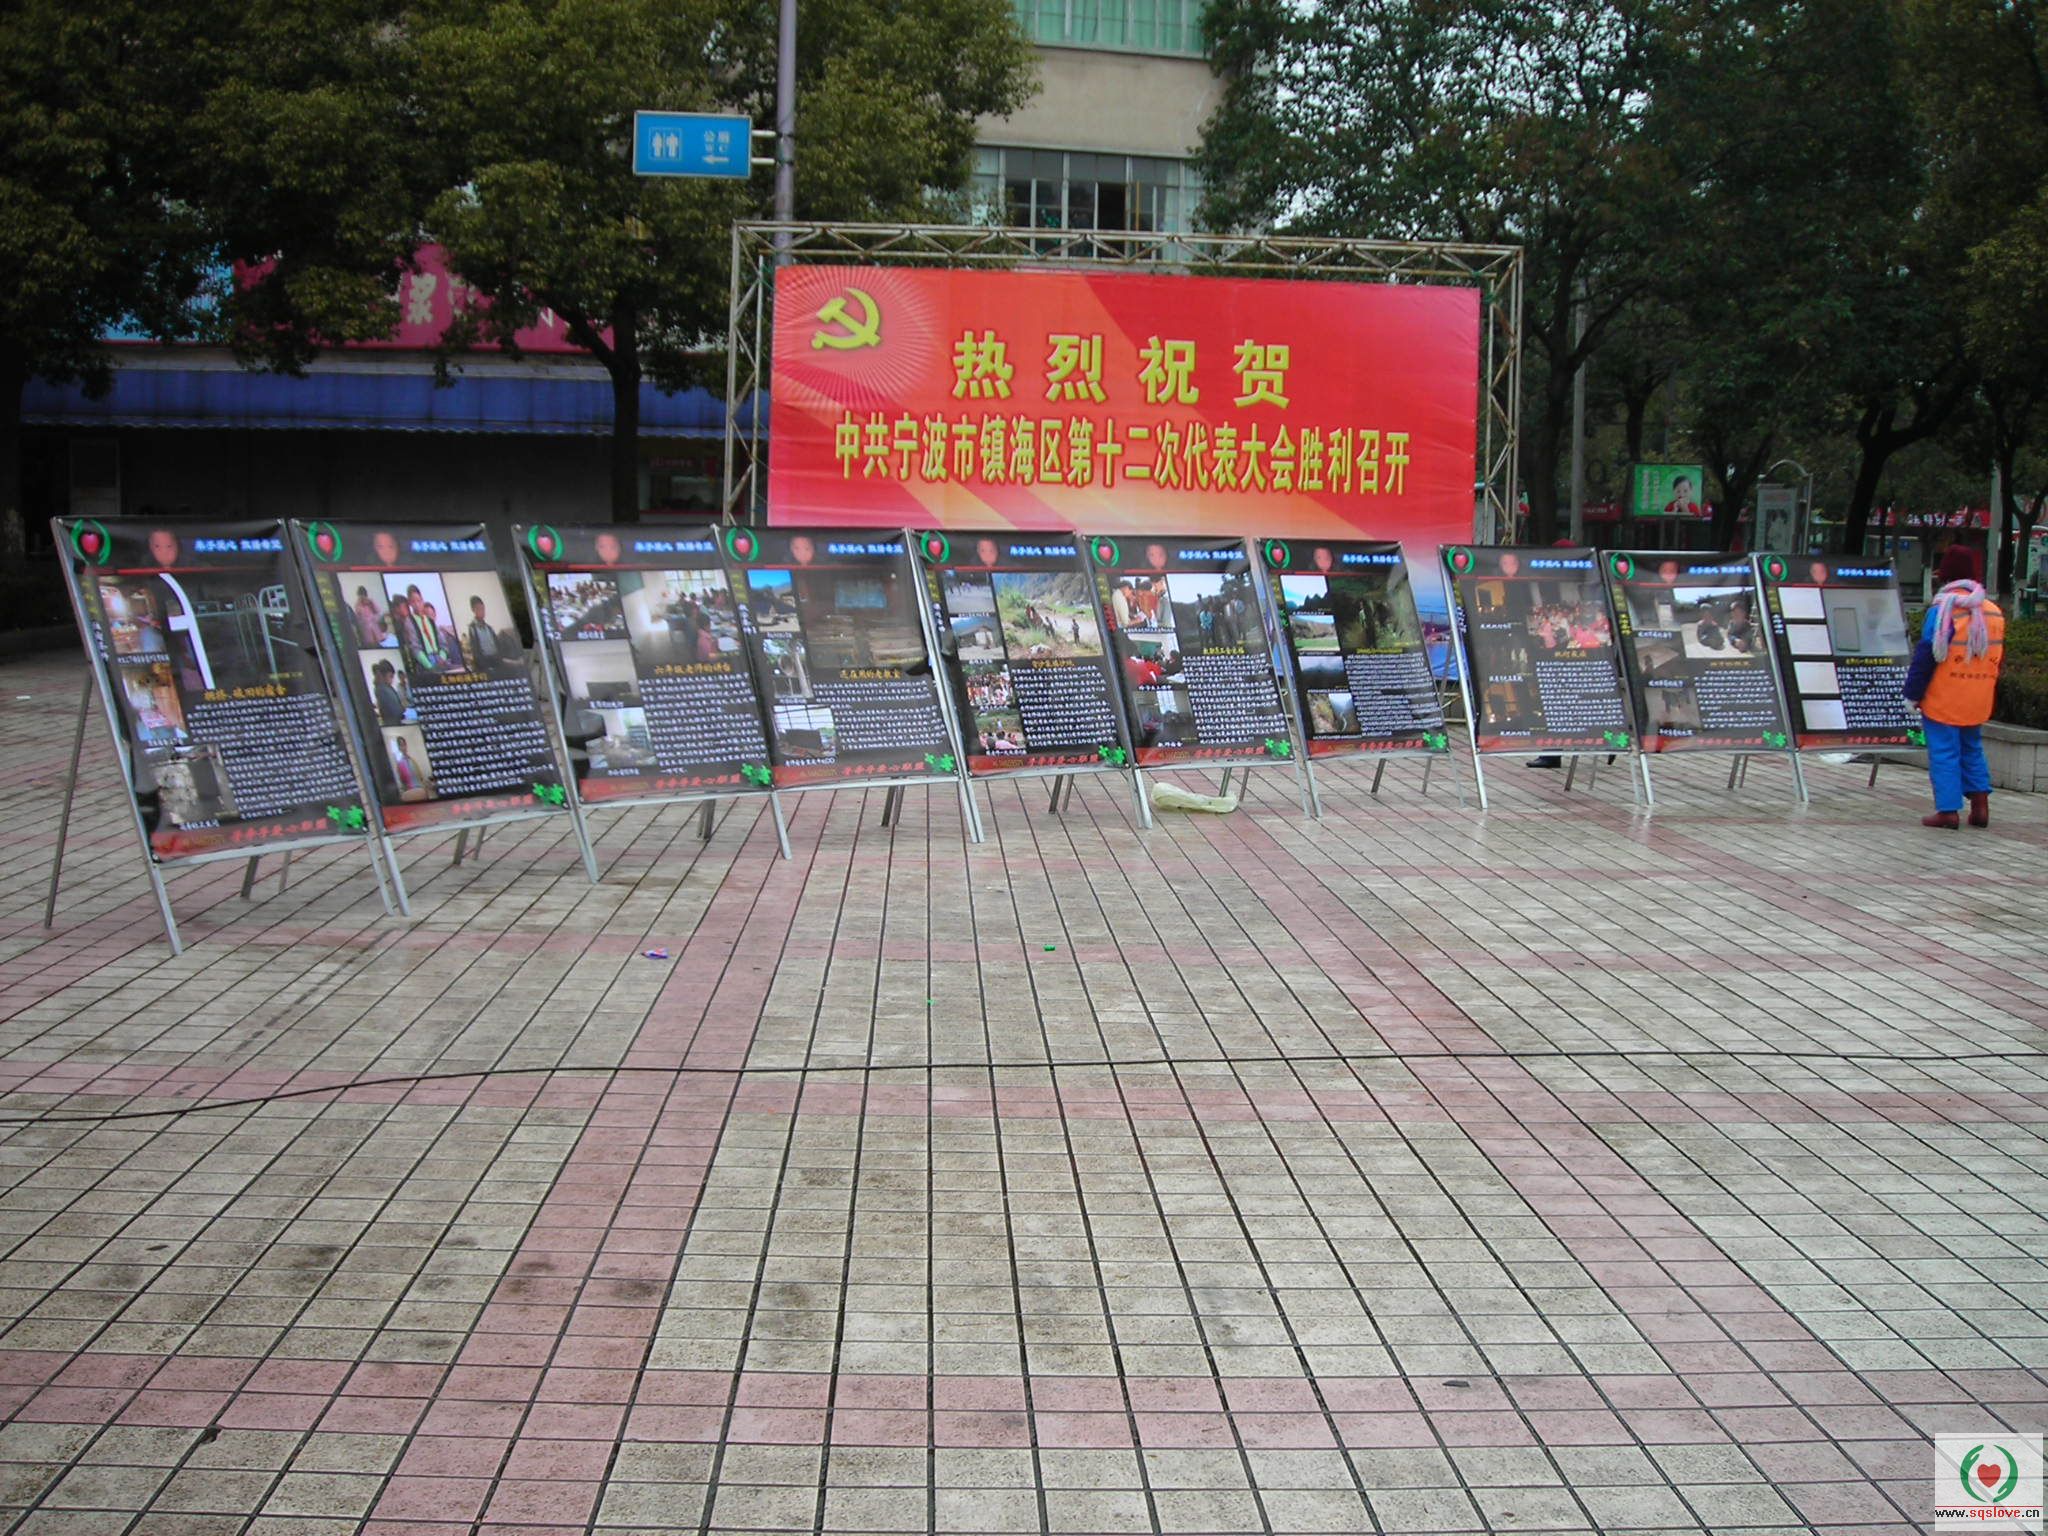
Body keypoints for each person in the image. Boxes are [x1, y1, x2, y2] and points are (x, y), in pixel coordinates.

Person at [1904, 544, 2004, 829]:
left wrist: (1912, 694)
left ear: (1945, 575)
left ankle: (1948, 811)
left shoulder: (1944, 610)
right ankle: (1980, 806)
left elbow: (1926, 655)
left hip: (1944, 696)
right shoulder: (1993, 611)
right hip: (1978, 695)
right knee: (1972, 747)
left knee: (1944, 752)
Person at [466, 595, 500, 667]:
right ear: (473, 610)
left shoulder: (489, 628)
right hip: (486, 662)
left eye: (483, 608)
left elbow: (497, 645)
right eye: (479, 609)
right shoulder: (472, 629)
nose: (482, 611)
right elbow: (476, 652)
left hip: (497, 659)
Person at [371, 659, 407, 724]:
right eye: (391, 676)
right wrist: (403, 709)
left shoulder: (386, 687)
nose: (392, 680)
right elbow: (395, 711)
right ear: (383, 675)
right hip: (393, 723)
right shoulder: (382, 690)